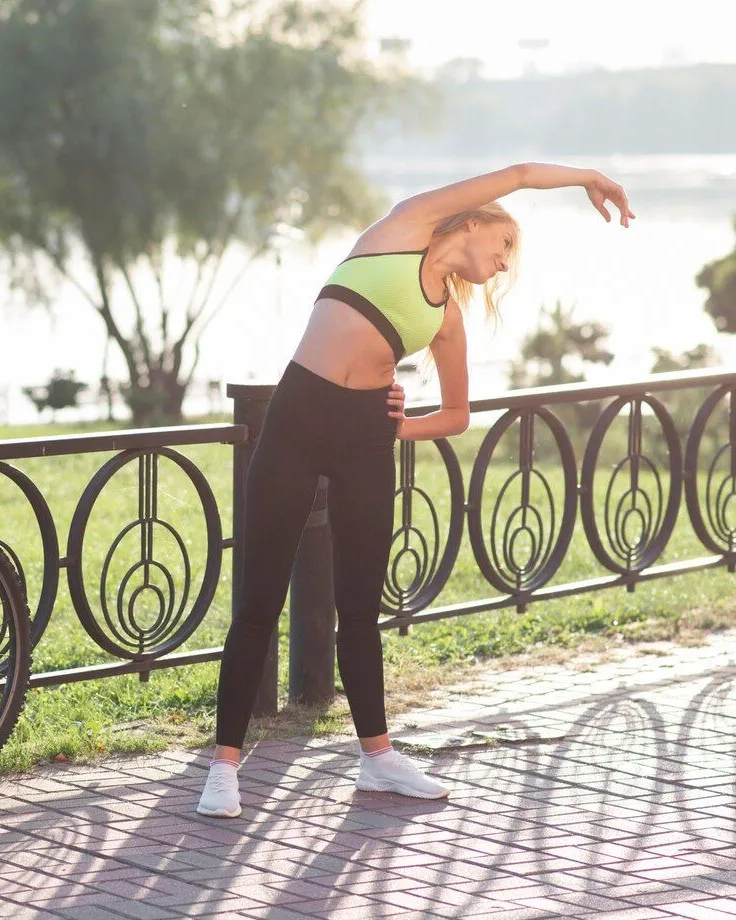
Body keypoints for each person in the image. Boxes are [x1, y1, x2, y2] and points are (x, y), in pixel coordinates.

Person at [198, 163, 634, 818]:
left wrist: (400, 428)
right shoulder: (401, 229)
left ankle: (378, 760)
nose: (505, 262)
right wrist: (586, 178)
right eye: (505, 245)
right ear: (476, 220)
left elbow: (457, 415)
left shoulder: (447, 319)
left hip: (364, 439)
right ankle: (224, 767)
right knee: (259, 601)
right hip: (294, 421)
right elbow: (516, 174)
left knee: (360, 607)